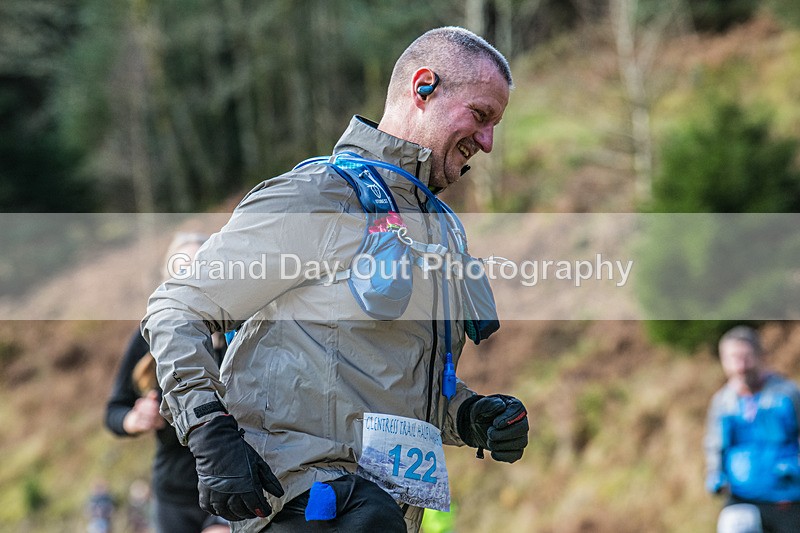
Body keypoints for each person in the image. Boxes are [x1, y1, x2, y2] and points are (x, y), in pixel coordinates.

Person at [142, 27, 529, 533]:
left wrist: (470, 416)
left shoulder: (437, 231)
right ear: (423, 88)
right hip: (303, 507)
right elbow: (176, 309)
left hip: (381, 515)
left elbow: (392, 386)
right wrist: (211, 432)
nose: (488, 142)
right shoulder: (317, 195)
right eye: (480, 116)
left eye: (495, 125)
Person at [106, 233, 230, 533]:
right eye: (183, 269)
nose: (193, 278)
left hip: (233, 489)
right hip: (174, 494)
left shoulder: (240, 335)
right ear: (168, 281)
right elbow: (113, 412)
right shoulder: (150, 335)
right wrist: (136, 418)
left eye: (203, 266)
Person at [704, 325, 800, 533]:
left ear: (760, 356)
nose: (740, 365)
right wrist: (715, 474)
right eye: (733, 358)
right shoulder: (722, 402)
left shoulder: (787, 394)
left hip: (787, 499)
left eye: (745, 356)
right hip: (742, 498)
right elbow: (714, 445)